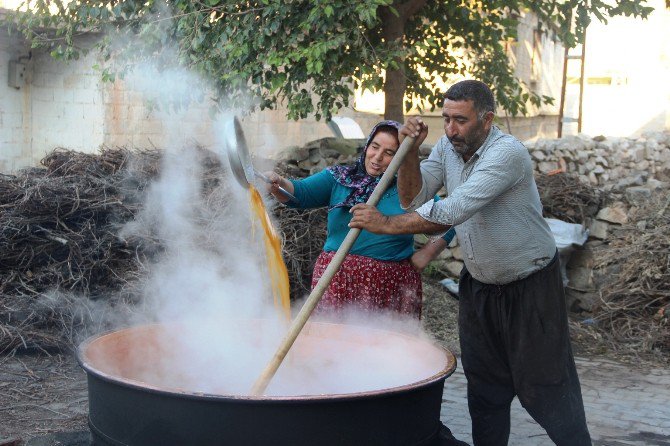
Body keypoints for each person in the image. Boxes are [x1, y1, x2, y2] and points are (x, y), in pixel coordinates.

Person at [349, 80, 592, 445]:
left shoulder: (506, 154)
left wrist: (384, 226)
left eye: (460, 120)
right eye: (446, 118)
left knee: (546, 391)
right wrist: (411, 150)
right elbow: (412, 197)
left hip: (530, 286)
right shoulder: (447, 146)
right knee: (485, 392)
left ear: (487, 119)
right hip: (479, 285)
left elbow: (453, 209)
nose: (450, 129)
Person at [266, 120, 433, 317]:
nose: (377, 157)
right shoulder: (339, 178)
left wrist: (426, 255)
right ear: (367, 145)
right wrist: (279, 183)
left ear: (400, 157)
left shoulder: (409, 189)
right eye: (375, 147)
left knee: (386, 343)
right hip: (337, 276)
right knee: (335, 342)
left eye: (389, 153)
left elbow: (445, 220)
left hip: (390, 280)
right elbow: (300, 193)